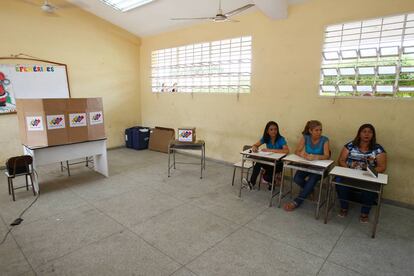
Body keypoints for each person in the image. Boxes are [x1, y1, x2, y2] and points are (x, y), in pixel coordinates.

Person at [336, 123, 387, 223]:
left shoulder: (378, 149)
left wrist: (369, 171)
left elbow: (382, 167)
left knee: (371, 188)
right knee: (339, 181)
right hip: (350, 174)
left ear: (373, 135)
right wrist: (349, 169)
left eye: (370, 132)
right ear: (359, 134)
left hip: (367, 176)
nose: (367, 134)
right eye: (364, 132)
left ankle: (365, 213)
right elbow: (341, 160)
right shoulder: (350, 145)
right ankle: (344, 208)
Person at [283, 120, 330, 211]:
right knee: (297, 178)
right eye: (316, 130)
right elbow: (297, 151)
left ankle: (297, 201)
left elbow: (327, 155)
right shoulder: (306, 138)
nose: (319, 132)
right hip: (307, 164)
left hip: (320, 168)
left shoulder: (325, 140)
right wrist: (302, 155)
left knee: (312, 179)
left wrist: (316, 157)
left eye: (320, 130)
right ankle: (309, 190)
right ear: (310, 131)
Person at [243, 121, 289, 190]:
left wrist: (270, 150)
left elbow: (286, 151)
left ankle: (272, 182)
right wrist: (254, 147)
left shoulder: (280, 139)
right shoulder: (265, 138)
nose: (274, 131)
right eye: (271, 129)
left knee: (266, 177)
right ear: (267, 131)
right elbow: (255, 144)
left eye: (275, 129)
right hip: (269, 161)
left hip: (278, 163)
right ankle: (251, 183)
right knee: (258, 163)